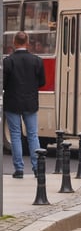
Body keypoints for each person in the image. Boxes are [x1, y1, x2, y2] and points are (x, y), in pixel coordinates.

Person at [3, 31, 46, 178]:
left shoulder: (8, 61)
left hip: (12, 103)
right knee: (33, 135)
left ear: (14, 43)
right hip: (30, 103)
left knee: (15, 135)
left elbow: (3, 83)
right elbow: (42, 82)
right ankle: (36, 168)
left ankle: (19, 169)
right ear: (27, 43)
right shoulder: (37, 61)